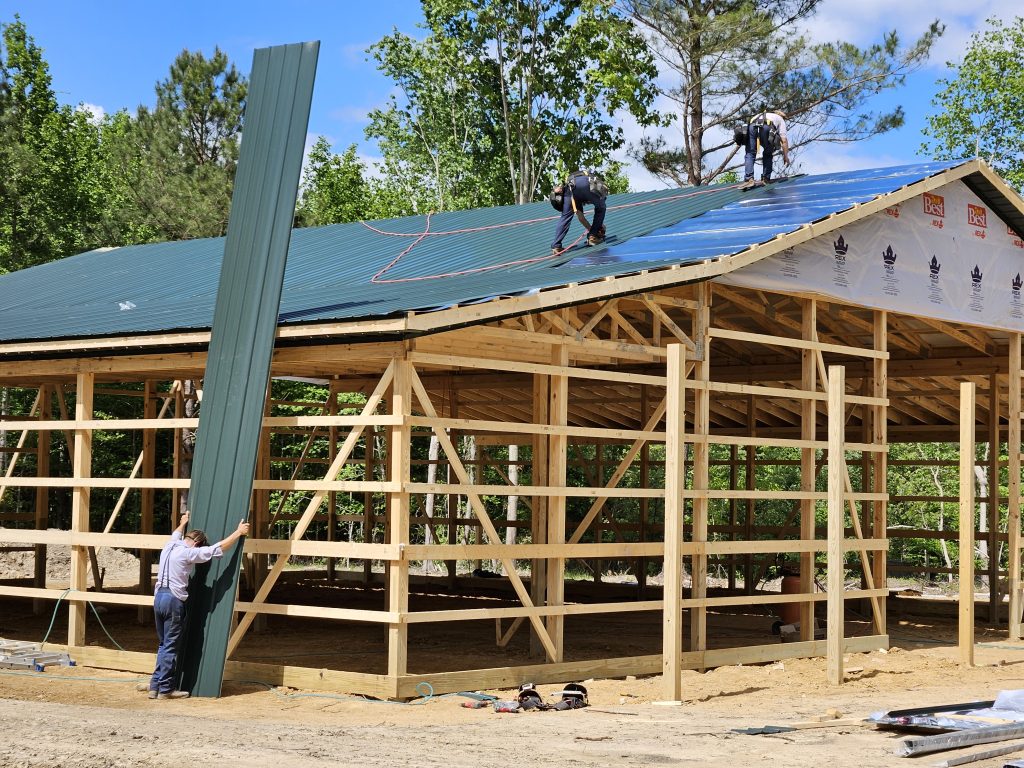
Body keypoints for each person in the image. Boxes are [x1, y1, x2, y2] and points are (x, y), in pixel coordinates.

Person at [145, 511, 249, 700]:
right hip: (173, 600)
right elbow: (218, 549)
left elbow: (176, 532)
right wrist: (238, 532)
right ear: (198, 543)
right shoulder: (188, 553)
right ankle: (166, 689)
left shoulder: (170, 545)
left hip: (159, 597)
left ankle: (154, 686)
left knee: (163, 644)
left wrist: (183, 522)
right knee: (169, 646)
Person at [550, 170, 608, 256]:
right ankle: (593, 237)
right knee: (601, 208)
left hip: (572, 189)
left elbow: (581, 218)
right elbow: (582, 218)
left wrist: (593, 229)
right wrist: (596, 229)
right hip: (584, 183)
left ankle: (556, 246)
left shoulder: (570, 195)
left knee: (565, 217)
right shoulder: (570, 190)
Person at [744, 109, 790, 185]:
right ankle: (766, 178)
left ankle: (749, 179)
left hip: (752, 127)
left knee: (750, 153)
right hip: (767, 127)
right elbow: (784, 141)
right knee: (768, 154)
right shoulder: (780, 119)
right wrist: (785, 156)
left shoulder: (761, 114)